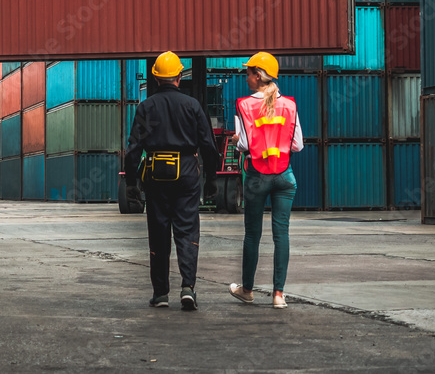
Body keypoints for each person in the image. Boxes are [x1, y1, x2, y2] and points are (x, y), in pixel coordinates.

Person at [124, 51, 220, 310]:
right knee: (186, 230)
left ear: (156, 78)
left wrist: (130, 182)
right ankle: (188, 288)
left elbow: (134, 148)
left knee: (158, 232)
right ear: (179, 76)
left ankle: (160, 294)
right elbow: (208, 146)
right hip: (187, 172)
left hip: (156, 174)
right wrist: (212, 178)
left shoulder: (147, 107)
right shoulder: (192, 105)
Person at [228, 52, 303, 309]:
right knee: (281, 235)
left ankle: (247, 290)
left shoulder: (244, 105)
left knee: (253, 235)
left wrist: (238, 141)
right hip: (284, 176)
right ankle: (279, 295)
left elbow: (246, 144)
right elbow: (298, 145)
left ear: (258, 76)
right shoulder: (290, 105)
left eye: (248, 73)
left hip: (258, 176)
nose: (246, 77)